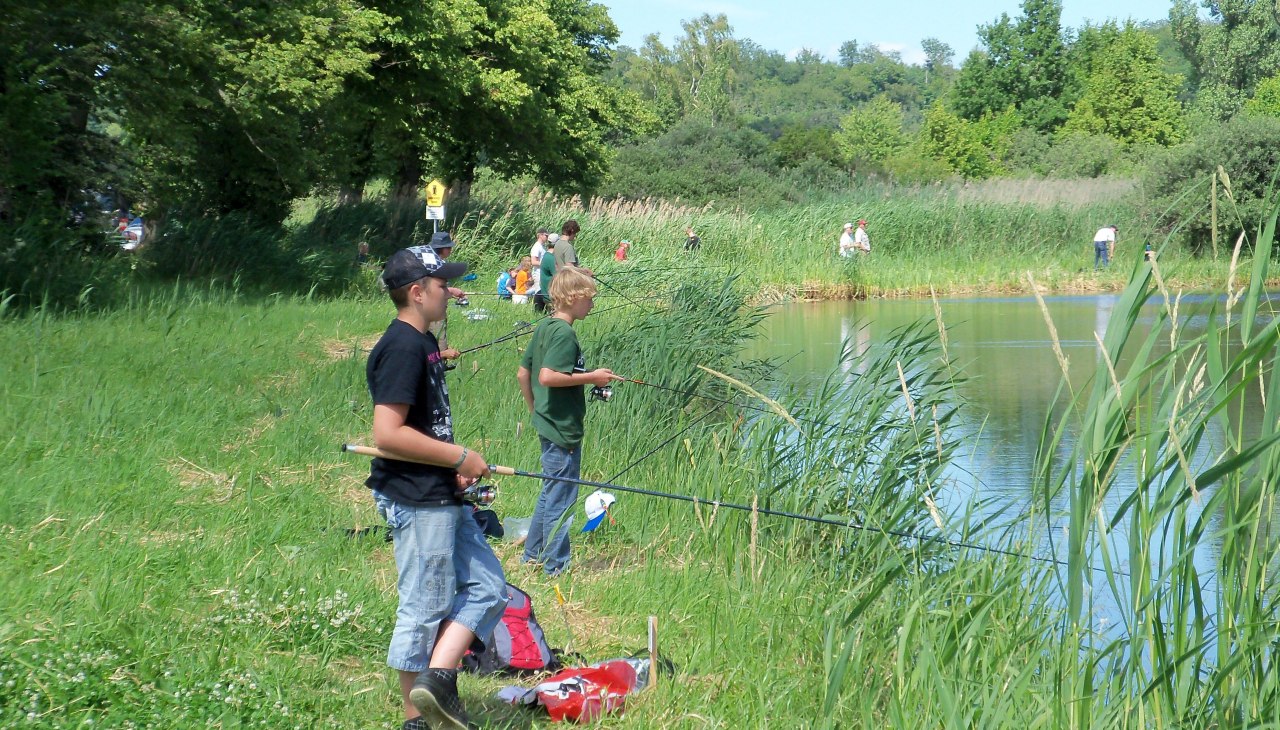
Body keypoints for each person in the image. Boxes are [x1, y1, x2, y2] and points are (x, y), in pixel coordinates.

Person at [367, 245, 508, 730]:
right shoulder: (402, 347)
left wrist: (454, 469)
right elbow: (387, 434)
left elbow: (425, 431)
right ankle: (417, 720)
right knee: (424, 608)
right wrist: (459, 456)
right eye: (442, 283)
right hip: (416, 498)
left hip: (441, 490)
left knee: (489, 588)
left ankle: (439, 682)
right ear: (416, 292)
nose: (450, 290)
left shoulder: (424, 343)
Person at [517, 267, 622, 576]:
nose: (592, 305)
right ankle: (556, 567)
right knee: (562, 499)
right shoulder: (564, 333)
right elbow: (548, 376)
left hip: (548, 422)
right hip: (562, 428)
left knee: (551, 491)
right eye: (589, 299)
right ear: (574, 299)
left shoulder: (544, 327)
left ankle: (533, 556)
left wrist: (534, 410)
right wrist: (594, 377)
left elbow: (524, 373)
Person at [533, 236, 556, 314]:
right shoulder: (551, 258)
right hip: (550, 295)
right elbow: (558, 276)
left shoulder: (546, 255)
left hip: (545, 292)